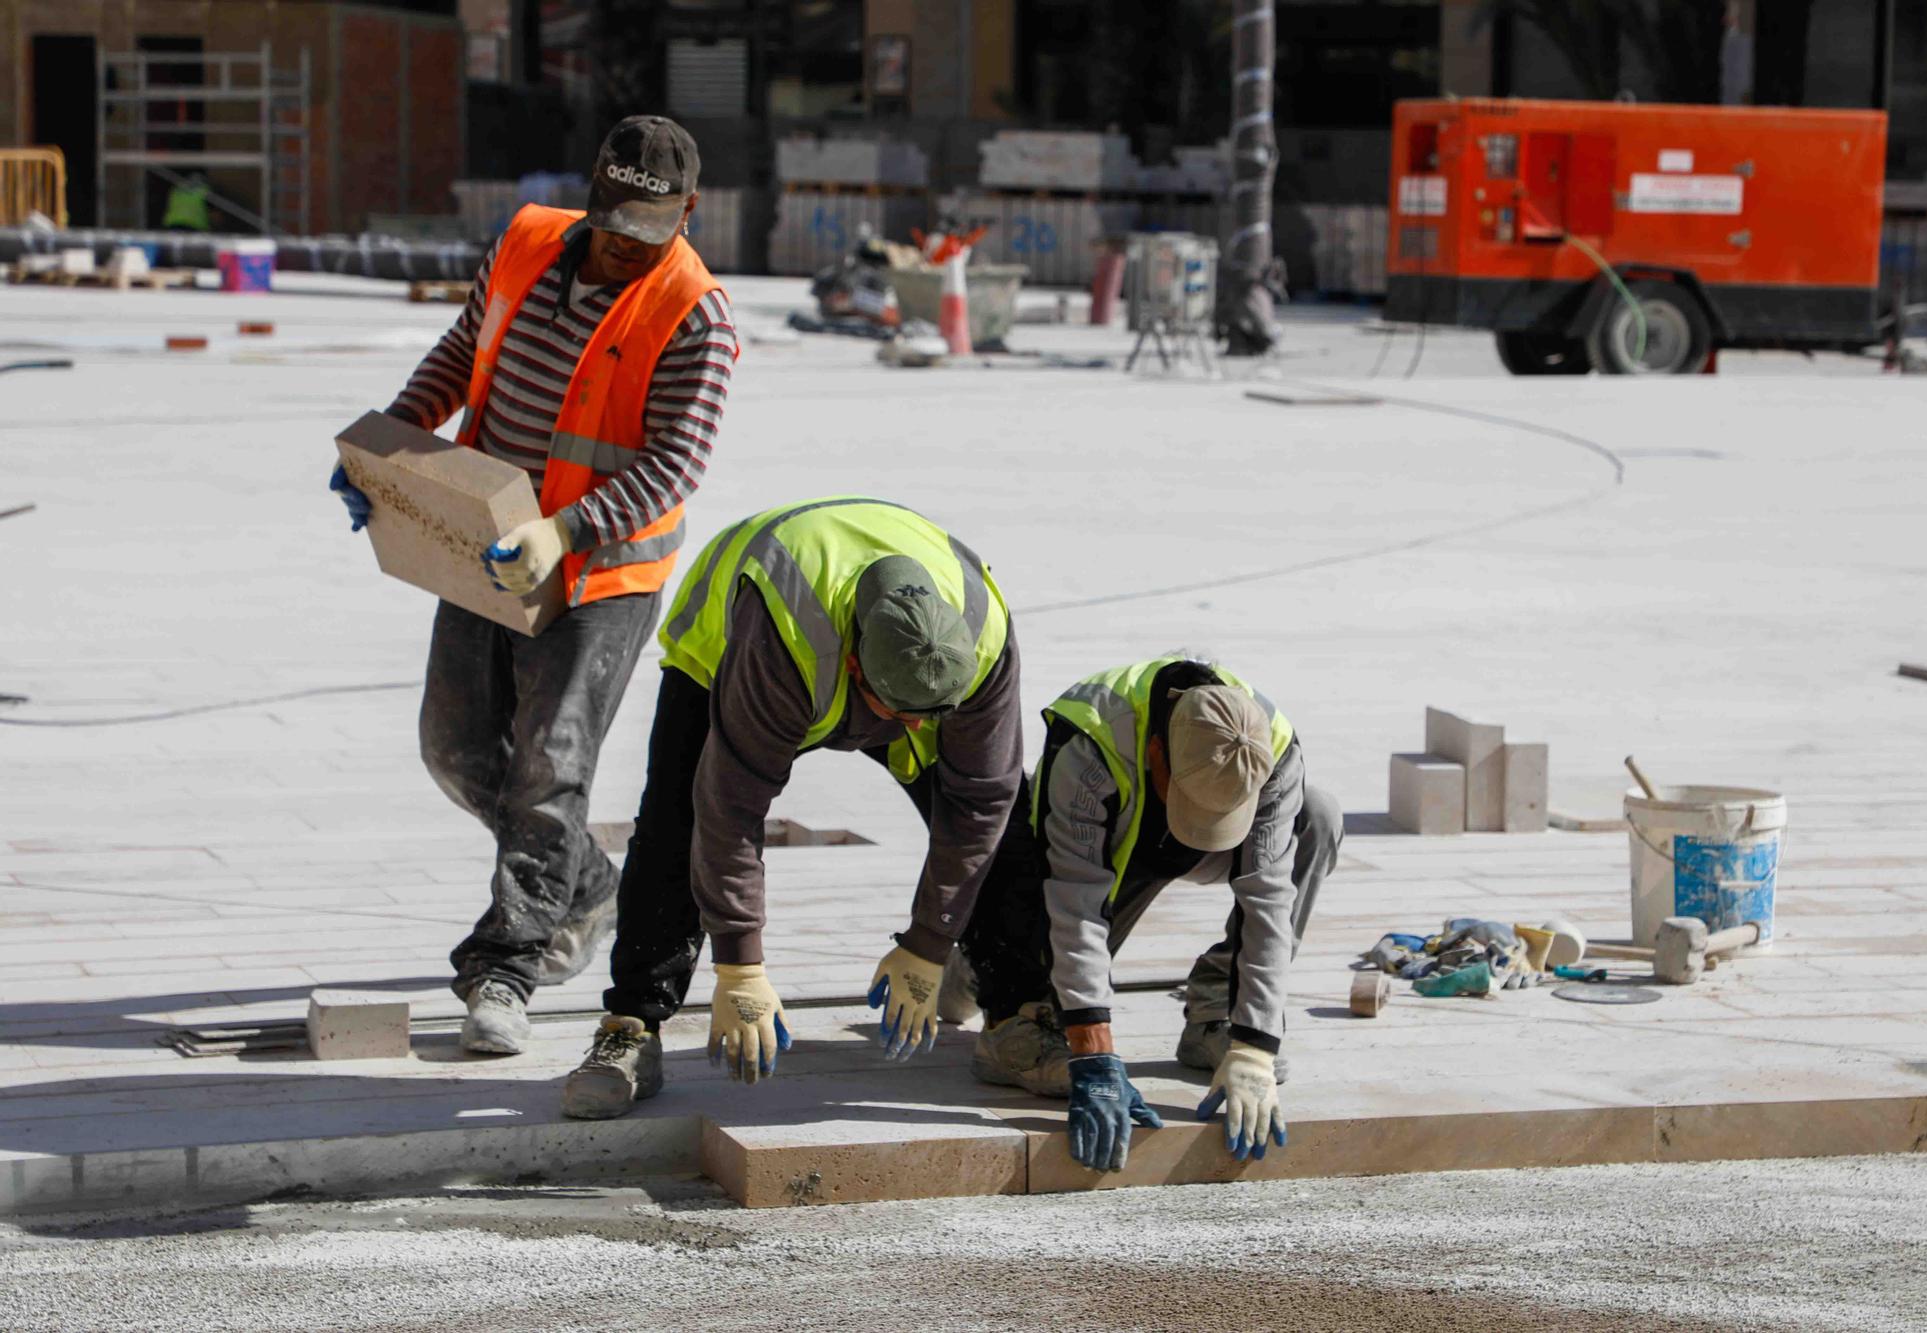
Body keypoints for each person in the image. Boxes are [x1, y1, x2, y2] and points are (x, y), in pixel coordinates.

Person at [327, 116, 737, 1055]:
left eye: (644, 230)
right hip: (490, 545)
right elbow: (460, 353)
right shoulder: (524, 242)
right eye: (610, 223)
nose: (620, 248)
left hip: (603, 570)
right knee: (456, 747)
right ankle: (586, 883)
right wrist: (385, 449)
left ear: (687, 213)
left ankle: (507, 965)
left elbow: (676, 462)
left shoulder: (695, 313)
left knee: (552, 764)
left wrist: (566, 532)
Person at [559, 497, 1023, 1120]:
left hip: (901, 658)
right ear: (857, 666)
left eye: (930, 715)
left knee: (1009, 823)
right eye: (901, 713)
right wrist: (739, 967)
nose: (916, 727)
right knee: (678, 822)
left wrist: (929, 940)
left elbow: (981, 804)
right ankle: (631, 1027)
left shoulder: (982, 637)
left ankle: (1017, 1014)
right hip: (733, 636)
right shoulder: (781, 639)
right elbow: (730, 809)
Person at [954, 656, 1341, 1171]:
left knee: (1317, 815)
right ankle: (1000, 985)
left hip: (1203, 828)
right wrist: (1093, 1054)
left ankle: (1214, 1009)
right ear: (1157, 752)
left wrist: (1255, 1045)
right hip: (1105, 843)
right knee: (1051, 967)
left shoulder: (1266, 742)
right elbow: (1076, 902)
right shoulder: (1091, 742)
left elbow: (1267, 899)